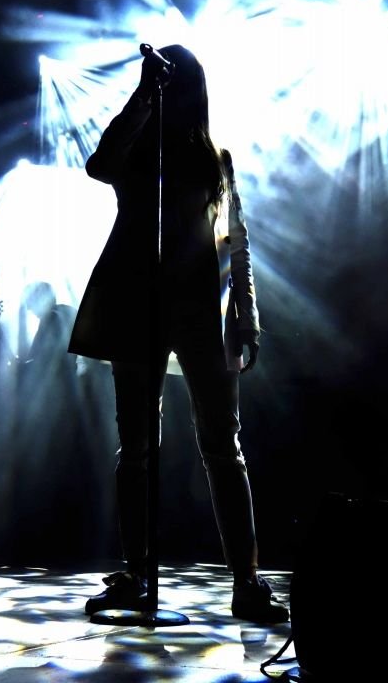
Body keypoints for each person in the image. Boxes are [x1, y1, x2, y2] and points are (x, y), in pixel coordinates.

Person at [68, 44, 289, 623]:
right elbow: (99, 164)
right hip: (137, 304)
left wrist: (246, 318)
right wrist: (144, 96)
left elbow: (236, 243)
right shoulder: (137, 148)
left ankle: (246, 581)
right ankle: (137, 573)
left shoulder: (217, 159)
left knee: (222, 444)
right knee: (137, 446)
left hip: (202, 311)